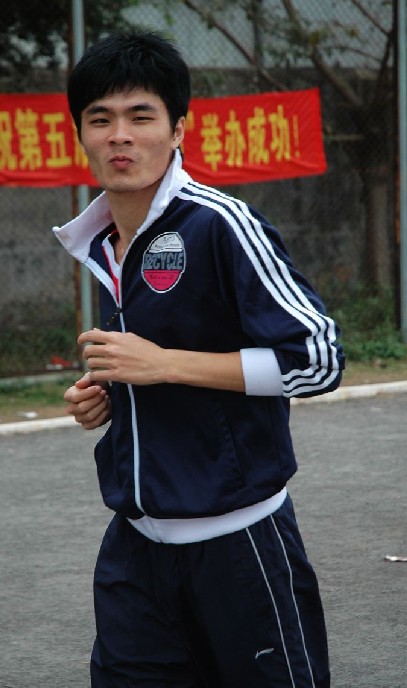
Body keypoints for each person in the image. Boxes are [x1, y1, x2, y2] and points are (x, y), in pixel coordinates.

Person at [55, 28, 345, 688]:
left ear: (178, 129)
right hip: (134, 550)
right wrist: (108, 395)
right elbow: (156, 360)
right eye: (100, 119)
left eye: (141, 117)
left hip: (240, 546)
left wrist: (164, 364)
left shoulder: (220, 223)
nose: (119, 136)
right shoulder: (101, 241)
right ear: (80, 134)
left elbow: (319, 359)